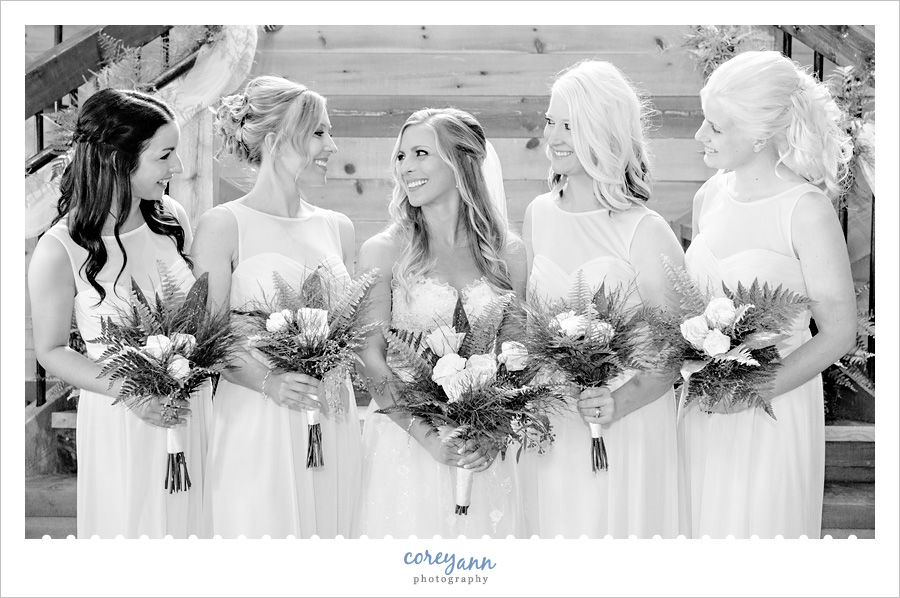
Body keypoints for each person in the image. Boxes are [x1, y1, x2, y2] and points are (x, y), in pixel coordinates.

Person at [680, 50, 856, 539]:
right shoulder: (708, 196)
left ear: (759, 135)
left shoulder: (806, 210)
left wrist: (753, 391)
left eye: (715, 127)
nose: (699, 135)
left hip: (774, 409)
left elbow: (840, 332)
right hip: (702, 407)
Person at [29, 88, 210, 538]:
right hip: (121, 415)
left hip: (189, 410)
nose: (177, 167)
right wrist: (132, 393)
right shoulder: (59, 249)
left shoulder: (172, 218)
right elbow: (51, 350)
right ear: (117, 160)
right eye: (164, 155)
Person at [190, 75, 360, 538]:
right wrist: (269, 382)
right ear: (274, 141)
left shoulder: (338, 227)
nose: (332, 146)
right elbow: (209, 339)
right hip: (258, 415)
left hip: (331, 415)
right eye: (319, 133)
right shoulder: (224, 225)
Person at [521, 60, 683, 538]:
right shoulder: (538, 214)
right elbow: (528, 325)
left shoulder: (645, 230)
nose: (553, 136)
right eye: (550, 121)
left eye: (570, 125)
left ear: (603, 131)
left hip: (624, 424)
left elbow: (675, 349)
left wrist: (617, 402)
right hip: (552, 421)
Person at [355, 108, 528, 538]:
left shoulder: (507, 252)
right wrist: (430, 438)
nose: (406, 167)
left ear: (461, 162)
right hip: (406, 443)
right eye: (401, 156)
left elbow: (517, 355)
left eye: (421, 153)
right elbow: (370, 358)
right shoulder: (383, 251)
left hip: (482, 448)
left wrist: (494, 431)